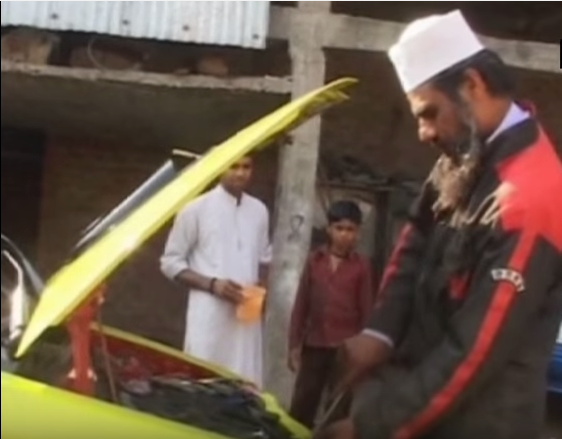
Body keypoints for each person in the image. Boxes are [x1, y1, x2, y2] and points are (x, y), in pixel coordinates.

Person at [315, 10, 562, 439]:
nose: (423, 133)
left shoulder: (530, 198)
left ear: (473, 84)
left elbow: (473, 354)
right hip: (416, 405)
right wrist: (380, 331)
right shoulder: (463, 158)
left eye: (429, 113)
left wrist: (370, 427)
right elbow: (412, 246)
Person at [160, 156, 271, 387]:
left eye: (246, 167)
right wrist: (213, 284)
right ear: (220, 167)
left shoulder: (259, 211)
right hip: (209, 315)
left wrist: (261, 286)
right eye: (234, 166)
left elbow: (264, 257)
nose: (240, 174)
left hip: (245, 317)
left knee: (245, 385)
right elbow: (170, 262)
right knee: (204, 381)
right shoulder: (195, 209)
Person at [288, 200, 374, 428]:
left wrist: (363, 350)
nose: (344, 235)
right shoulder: (314, 261)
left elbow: (367, 309)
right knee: (303, 403)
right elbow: (301, 304)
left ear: (358, 233)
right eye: (339, 229)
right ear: (329, 229)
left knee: (337, 407)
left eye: (350, 230)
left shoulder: (362, 266)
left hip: (345, 348)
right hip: (315, 344)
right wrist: (294, 345)